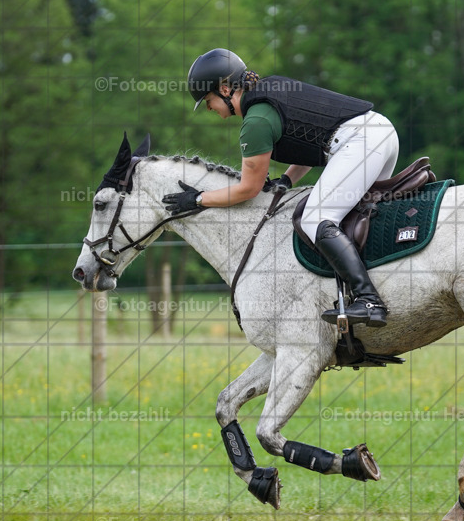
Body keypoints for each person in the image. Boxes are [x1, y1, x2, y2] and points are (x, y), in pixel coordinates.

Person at [167, 48, 399, 327]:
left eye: (208, 100)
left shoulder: (255, 122)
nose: (209, 109)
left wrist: (198, 199)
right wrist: (287, 180)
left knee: (316, 219)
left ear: (226, 89)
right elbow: (315, 143)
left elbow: (248, 190)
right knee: (353, 216)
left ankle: (369, 300)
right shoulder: (270, 92)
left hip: (362, 142)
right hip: (379, 133)